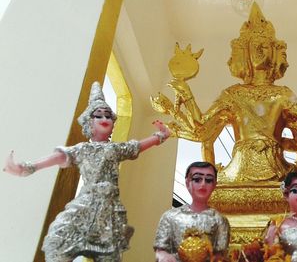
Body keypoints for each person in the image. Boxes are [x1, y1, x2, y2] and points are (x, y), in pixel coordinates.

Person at [163, 3, 297, 183]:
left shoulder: (283, 94)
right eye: (255, 45)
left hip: (279, 173)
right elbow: (203, 130)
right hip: (236, 175)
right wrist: (186, 93)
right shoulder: (232, 94)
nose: (259, 50)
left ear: (275, 52)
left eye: (265, 46)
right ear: (244, 52)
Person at [3, 81, 171, 262]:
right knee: (56, 241)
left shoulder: (115, 149)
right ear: (89, 123)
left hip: (110, 210)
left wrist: (160, 136)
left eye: (108, 116)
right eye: (98, 116)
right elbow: (59, 157)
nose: (105, 119)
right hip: (85, 204)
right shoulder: (82, 149)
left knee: (109, 255)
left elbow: (136, 146)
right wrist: (28, 167)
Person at [154, 161, 230, 262]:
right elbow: (160, 249)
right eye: (197, 179)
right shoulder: (170, 217)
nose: (203, 184)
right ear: (187, 182)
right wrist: (164, 256)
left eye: (208, 180)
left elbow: (220, 254)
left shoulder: (219, 220)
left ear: (214, 184)